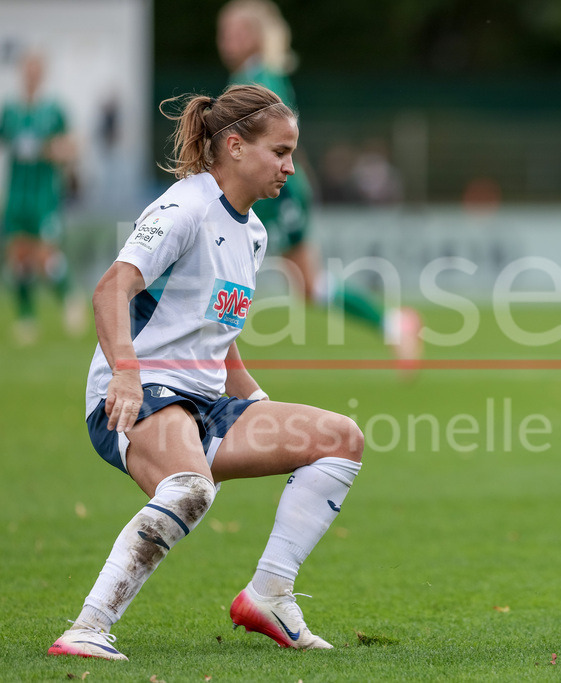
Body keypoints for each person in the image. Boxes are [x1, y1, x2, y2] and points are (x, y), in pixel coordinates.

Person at [47, 84, 364, 661]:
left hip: (204, 403)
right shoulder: (184, 207)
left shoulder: (255, 232)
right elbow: (110, 289)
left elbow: (221, 340)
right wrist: (123, 372)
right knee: (191, 487)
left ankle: (269, 595)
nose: (291, 168)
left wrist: (260, 403)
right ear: (237, 146)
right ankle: (88, 627)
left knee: (340, 439)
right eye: (281, 152)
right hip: (137, 393)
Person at [216, 0, 421, 367]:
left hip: (276, 195)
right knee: (308, 287)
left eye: (236, 32)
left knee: (229, 275)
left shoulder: (262, 80)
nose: (227, 41)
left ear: (255, 37)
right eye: (223, 32)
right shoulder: (251, 78)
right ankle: (395, 325)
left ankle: (205, 368)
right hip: (273, 192)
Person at [1, 50, 83, 344]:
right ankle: (26, 318)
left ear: (42, 73)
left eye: (36, 69)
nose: (31, 74)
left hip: (43, 195)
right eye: (27, 69)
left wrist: (51, 150)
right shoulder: (10, 111)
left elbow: (72, 147)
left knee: (45, 255)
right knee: (18, 256)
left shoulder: (53, 111)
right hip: (16, 195)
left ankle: (68, 298)